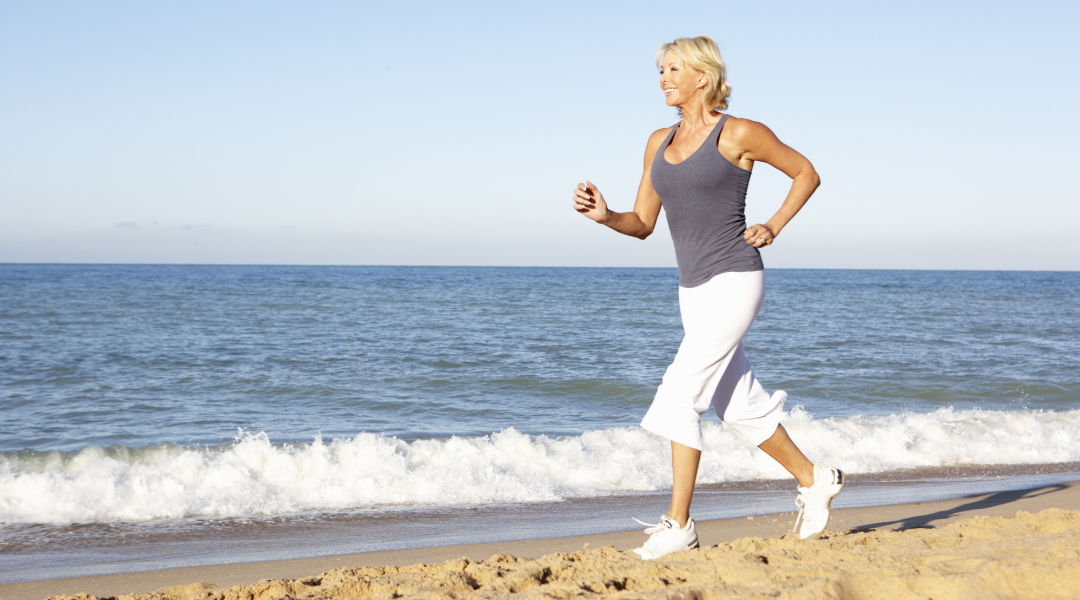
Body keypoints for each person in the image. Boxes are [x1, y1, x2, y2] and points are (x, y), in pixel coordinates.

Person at [572, 35, 843, 560]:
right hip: (691, 290)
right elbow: (643, 223)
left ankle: (679, 524)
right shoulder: (658, 142)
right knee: (736, 406)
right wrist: (605, 217)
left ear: (703, 75)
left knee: (679, 395)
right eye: (660, 71)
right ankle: (815, 479)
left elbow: (805, 172)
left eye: (673, 69)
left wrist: (775, 224)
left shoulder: (739, 132)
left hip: (736, 279)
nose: (664, 79)